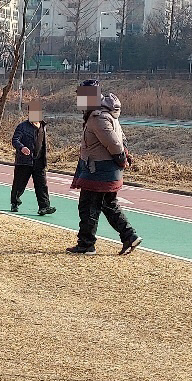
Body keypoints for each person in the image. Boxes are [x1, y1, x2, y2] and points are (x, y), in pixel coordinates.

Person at [68, 79, 142, 255]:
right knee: (109, 205)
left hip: (99, 170)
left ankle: (86, 244)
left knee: (88, 207)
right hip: (105, 169)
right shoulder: (107, 114)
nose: (80, 100)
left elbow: (114, 143)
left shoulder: (97, 117)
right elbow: (120, 139)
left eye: (82, 96)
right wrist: (123, 158)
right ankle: (129, 236)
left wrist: (122, 159)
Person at [10, 99, 56, 215]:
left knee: (41, 185)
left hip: (39, 161)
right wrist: (22, 148)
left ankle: (44, 207)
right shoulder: (22, 126)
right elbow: (15, 140)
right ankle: (15, 203)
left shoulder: (43, 126)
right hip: (24, 161)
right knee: (19, 184)